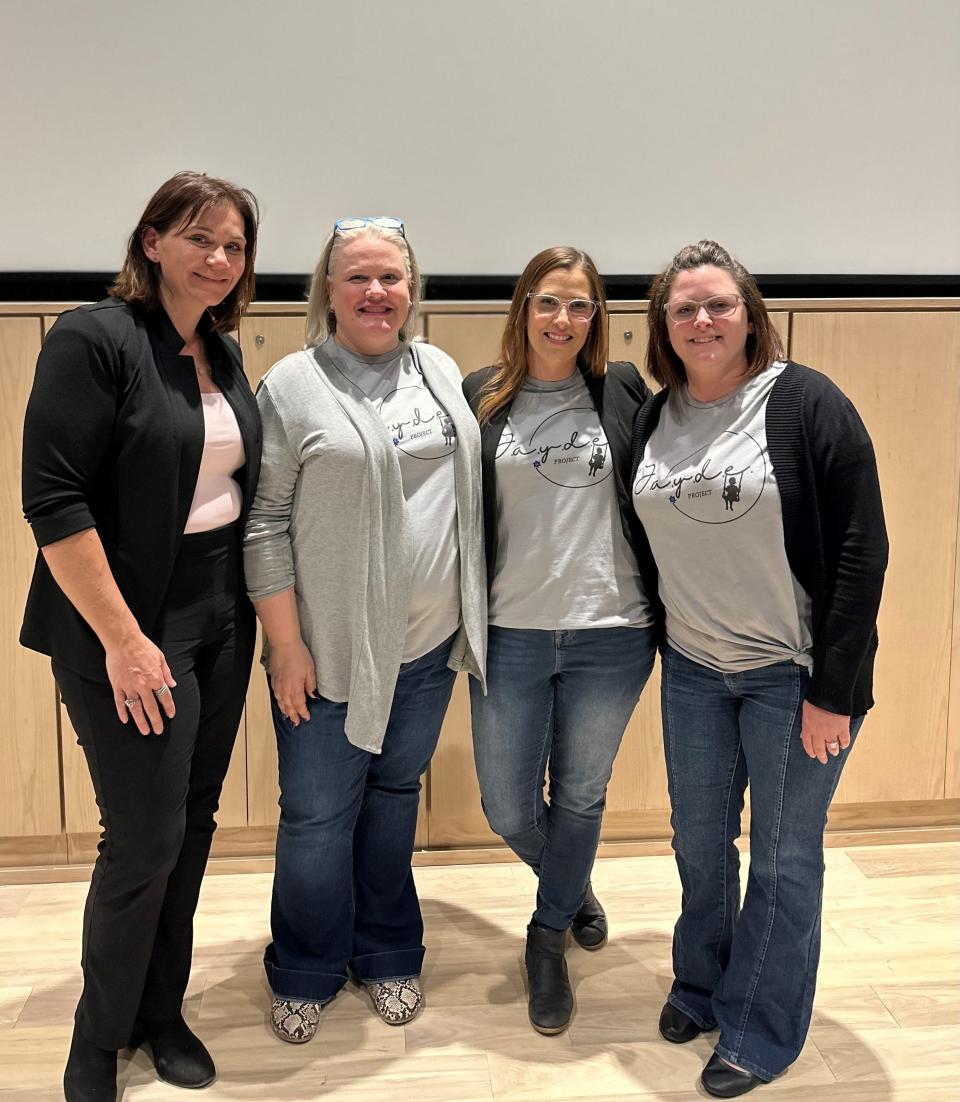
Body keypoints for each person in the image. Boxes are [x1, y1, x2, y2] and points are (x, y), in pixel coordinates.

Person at [20, 171, 262, 1102]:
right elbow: (53, 500)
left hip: (218, 617)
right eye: (200, 237)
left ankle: (161, 1013)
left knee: (191, 828)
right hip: (124, 623)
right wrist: (125, 641)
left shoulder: (222, 352)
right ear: (151, 241)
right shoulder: (94, 338)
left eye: (235, 245)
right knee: (145, 835)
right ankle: (98, 1036)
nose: (219, 258)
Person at [630, 240, 887, 1097]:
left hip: (793, 675)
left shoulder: (805, 401)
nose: (702, 321)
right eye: (683, 309)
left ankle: (760, 1029)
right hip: (697, 672)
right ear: (664, 325)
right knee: (699, 845)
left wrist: (834, 691)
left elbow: (861, 554)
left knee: (782, 859)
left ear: (750, 314)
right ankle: (701, 986)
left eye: (719, 305)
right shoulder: (653, 415)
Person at [244, 216, 486, 1043]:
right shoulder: (293, 383)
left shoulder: (441, 368)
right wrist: (285, 645)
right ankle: (307, 965)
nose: (376, 293)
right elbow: (263, 522)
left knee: (391, 802)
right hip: (331, 655)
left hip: (427, 649)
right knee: (316, 817)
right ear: (329, 291)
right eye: (358, 279)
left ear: (412, 289)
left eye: (391, 278)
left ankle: (386, 950)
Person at [462, 246, 656, 1035]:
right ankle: (570, 888)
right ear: (522, 308)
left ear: (597, 316)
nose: (563, 320)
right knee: (507, 806)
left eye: (580, 306)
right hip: (510, 630)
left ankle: (546, 941)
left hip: (612, 631)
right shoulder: (481, 396)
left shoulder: (623, 389)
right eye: (548, 302)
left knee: (580, 793)